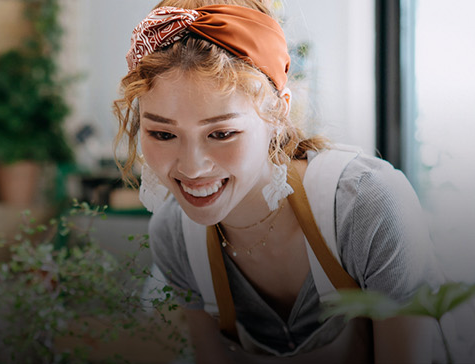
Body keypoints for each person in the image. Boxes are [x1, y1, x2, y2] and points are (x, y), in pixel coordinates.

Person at [113, 1, 443, 362]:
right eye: (162, 134)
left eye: (222, 133)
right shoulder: (175, 233)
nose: (192, 168)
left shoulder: (366, 206)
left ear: (278, 113)